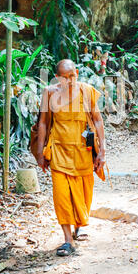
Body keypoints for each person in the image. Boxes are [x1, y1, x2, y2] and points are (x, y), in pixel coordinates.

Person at [36, 59, 106, 256]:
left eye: (72, 76)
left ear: (77, 72)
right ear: (57, 78)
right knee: (61, 195)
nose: (70, 80)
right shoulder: (49, 93)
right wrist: (41, 152)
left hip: (83, 151)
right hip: (59, 151)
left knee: (84, 192)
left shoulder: (87, 91)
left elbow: (98, 121)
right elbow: (42, 123)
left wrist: (102, 151)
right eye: (65, 77)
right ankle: (67, 240)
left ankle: (78, 225)